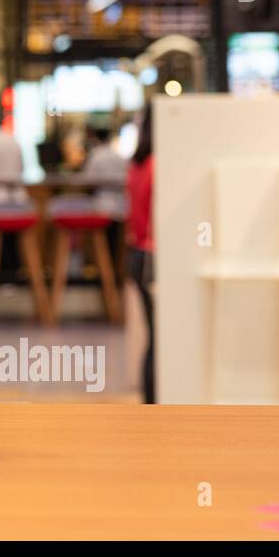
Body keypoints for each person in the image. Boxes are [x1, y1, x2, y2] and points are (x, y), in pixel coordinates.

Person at [126, 110, 155, 404]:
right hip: (152, 257)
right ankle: (154, 405)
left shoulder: (137, 163)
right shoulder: (158, 165)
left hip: (137, 253)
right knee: (161, 340)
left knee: (154, 338)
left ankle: (151, 403)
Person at [81, 125, 128, 217]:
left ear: (96, 139)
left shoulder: (95, 155)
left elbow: (87, 179)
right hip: (122, 203)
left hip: (101, 203)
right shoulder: (119, 155)